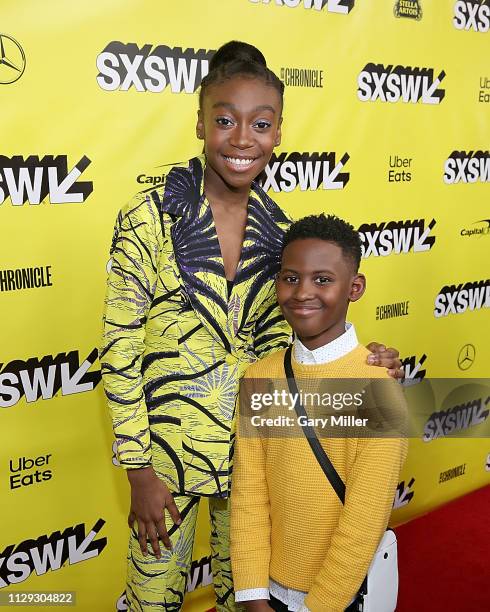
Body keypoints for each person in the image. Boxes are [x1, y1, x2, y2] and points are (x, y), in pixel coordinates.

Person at [100, 42, 403, 612]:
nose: (243, 139)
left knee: (245, 597)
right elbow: (119, 347)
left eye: (261, 124)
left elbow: (295, 338)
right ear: (200, 123)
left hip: (255, 463)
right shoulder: (149, 217)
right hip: (166, 459)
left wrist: (367, 362)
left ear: (279, 132)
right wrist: (138, 469)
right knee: (152, 599)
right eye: (224, 121)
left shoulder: (280, 228)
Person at [230, 214, 408, 612]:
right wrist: (253, 595)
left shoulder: (379, 387)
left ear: (354, 287)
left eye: (323, 280)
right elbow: (248, 495)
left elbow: (364, 519)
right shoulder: (259, 377)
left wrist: (321, 606)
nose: (302, 292)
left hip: (341, 598)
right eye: (290, 277)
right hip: (267, 593)